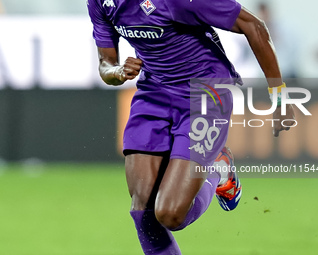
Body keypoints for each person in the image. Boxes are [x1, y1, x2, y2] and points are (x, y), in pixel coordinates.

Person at [87, 0, 295, 254]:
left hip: (205, 93)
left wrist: (280, 96)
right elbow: (105, 63)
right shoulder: (99, 2)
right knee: (144, 212)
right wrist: (118, 71)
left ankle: (219, 168)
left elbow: (253, 25)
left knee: (171, 215)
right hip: (154, 94)